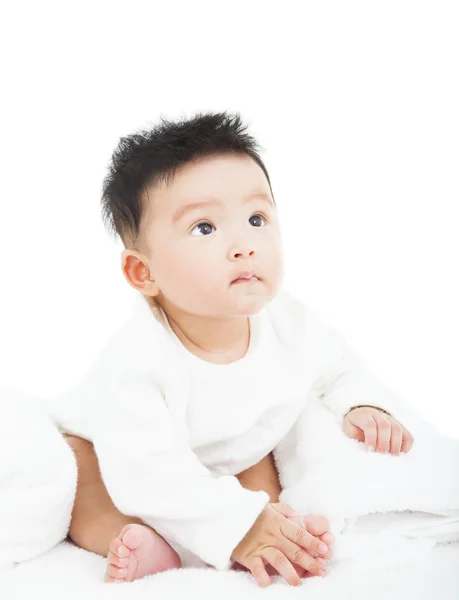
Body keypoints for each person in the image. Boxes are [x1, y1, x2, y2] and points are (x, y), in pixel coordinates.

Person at [54, 111, 414, 588]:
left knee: (268, 466)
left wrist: (363, 403)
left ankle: (276, 534)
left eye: (256, 218)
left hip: (226, 451)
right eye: (205, 228)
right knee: (80, 482)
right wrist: (234, 524)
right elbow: (146, 474)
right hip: (122, 458)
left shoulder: (291, 323)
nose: (244, 244)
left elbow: (337, 369)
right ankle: (147, 541)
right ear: (145, 274)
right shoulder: (135, 365)